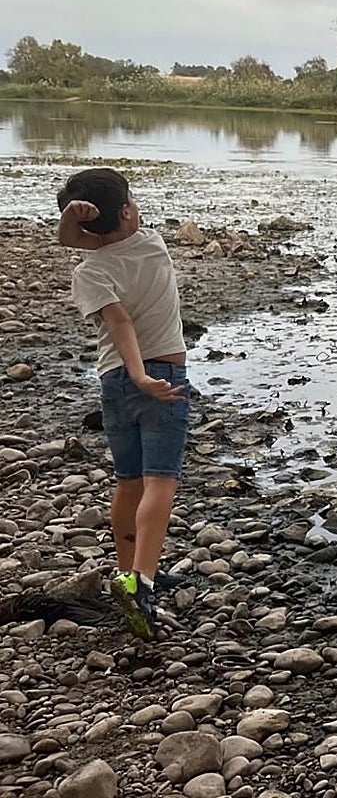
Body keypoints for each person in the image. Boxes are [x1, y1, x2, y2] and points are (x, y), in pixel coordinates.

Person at [57, 167, 188, 639]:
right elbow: (124, 323)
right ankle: (143, 584)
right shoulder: (151, 243)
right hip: (161, 377)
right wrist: (143, 375)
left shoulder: (89, 272)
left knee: (128, 482)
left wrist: (71, 217)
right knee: (161, 481)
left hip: (113, 382)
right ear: (129, 211)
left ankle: (127, 571)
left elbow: (72, 243)